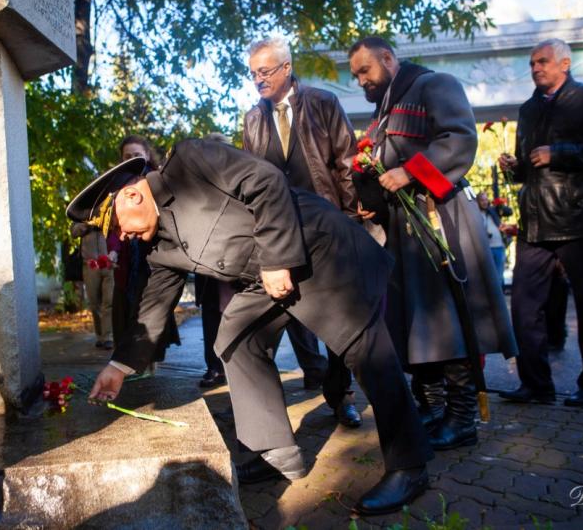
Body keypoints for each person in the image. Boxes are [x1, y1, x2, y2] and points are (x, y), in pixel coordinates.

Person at [72, 141, 433, 515]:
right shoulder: (159, 246)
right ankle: (272, 451)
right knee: (235, 338)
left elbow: (266, 180)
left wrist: (278, 258)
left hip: (316, 251)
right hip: (266, 280)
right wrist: (120, 366)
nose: (121, 237)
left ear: (132, 195)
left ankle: (409, 465)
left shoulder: (189, 161)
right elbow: (154, 305)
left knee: (366, 351)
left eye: (117, 226)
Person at [348, 36, 517, 450]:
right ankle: (432, 407)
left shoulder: (435, 84)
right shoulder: (382, 112)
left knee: (448, 321)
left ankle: (461, 419)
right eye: (355, 76)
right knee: (417, 324)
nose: (361, 82)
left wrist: (408, 173)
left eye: (365, 71)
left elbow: (459, 139)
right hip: (404, 231)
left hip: (440, 220)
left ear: (388, 59)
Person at [498, 38, 583, 407]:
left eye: (542, 61)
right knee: (523, 308)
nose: (536, 68)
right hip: (534, 223)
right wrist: (516, 167)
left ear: (564, 64)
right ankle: (536, 385)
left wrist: (558, 152)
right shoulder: (527, 109)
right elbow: (530, 169)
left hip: (579, 219)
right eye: (532, 63)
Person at [242, 37, 361, 427]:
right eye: (253, 73)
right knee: (280, 315)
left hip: (327, 225)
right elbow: (250, 181)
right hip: (281, 234)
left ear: (287, 68)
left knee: (338, 319)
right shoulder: (253, 119)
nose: (258, 79)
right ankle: (262, 412)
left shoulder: (323, 103)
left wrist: (350, 222)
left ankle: (341, 396)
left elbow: (345, 163)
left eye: (265, 71)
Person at [112, 136, 181, 376]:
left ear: (147, 155)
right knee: (127, 313)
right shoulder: (116, 185)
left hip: (154, 260)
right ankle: (129, 365)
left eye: (136, 155)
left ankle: (151, 368)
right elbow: (111, 225)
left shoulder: (158, 181)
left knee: (150, 309)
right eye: (127, 156)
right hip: (126, 262)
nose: (131, 160)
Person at [70, 220, 118, 348]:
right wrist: (88, 224)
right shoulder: (82, 211)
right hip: (90, 265)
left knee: (109, 301)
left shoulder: (108, 207)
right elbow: (74, 232)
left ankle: (108, 336)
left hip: (108, 264)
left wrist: (115, 253)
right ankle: (100, 335)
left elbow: (117, 231)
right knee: (94, 302)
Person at [476, 192, 508, 287]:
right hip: (485, 249)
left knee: (499, 275)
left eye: (486, 199)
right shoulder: (475, 213)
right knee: (488, 275)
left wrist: (500, 204)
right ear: (477, 201)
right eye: (482, 200)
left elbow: (508, 211)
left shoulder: (493, 211)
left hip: (499, 246)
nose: (485, 202)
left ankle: (500, 298)